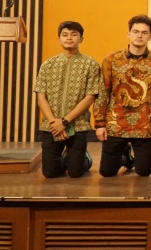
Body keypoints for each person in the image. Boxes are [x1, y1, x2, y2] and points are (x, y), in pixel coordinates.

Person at [94, 15, 151, 177]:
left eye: (144, 33)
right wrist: (99, 123)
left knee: (144, 171)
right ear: (128, 34)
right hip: (116, 123)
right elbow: (103, 92)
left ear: (150, 36)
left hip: (145, 124)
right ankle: (125, 155)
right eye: (136, 31)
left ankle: (128, 156)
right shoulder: (111, 60)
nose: (139, 36)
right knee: (107, 172)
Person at [33, 21, 101, 178]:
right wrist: (54, 123)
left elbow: (90, 97)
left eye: (74, 35)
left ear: (81, 39)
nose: (69, 38)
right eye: (65, 35)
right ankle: (69, 159)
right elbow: (41, 96)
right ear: (59, 39)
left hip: (78, 125)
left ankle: (84, 158)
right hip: (51, 126)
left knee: (75, 172)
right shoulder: (48, 65)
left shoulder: (90, 65)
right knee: (49, 173)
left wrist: (64, 122)